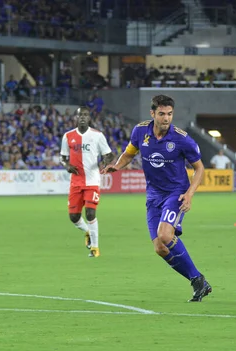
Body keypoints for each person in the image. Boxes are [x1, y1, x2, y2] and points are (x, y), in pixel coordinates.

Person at [101, 95, 211, 302]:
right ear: (152, 114)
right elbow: (128, 153)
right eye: (161, 114)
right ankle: (198, 280)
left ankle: (198, 281)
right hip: (153, 196)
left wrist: (189, 194)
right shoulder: (140, 131)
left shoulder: (182, 139)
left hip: (175, 193)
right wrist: (117, 165)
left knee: (165, 236)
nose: (166, 118)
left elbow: (199, 168)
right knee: (160, 248)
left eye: (169, 114)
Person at [60, 106, 115, 258]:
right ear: (76, 118)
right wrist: (67, 166)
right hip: (75, 182)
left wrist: (105, 161)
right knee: (74, 217)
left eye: (85, 115)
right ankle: (87, 232)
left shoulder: (97, 136)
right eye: (80, 115)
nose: (82, 117)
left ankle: (95, 249)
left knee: (90, 213)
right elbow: (62, 157)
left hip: (92, 181)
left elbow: (109, 155)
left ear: (89, 118)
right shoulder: (68, 136)